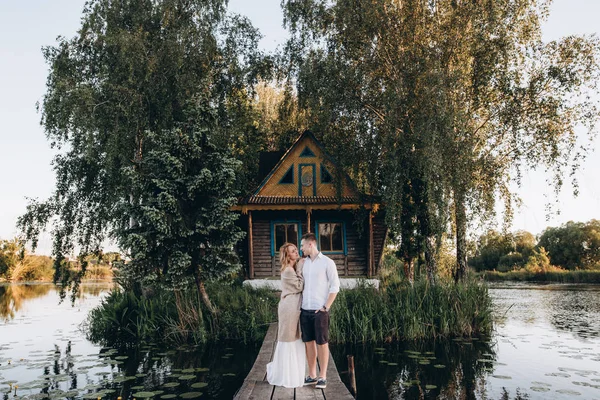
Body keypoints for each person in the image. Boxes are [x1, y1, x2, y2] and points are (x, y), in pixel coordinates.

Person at [300, 232, 340, 390]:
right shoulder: (304, 263)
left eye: (302, 245)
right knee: (308, 343)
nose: (301, 248)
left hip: (320, 310)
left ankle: (322, 376)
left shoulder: (328, 263)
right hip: (305, 309)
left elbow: (335, 286)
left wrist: (325, 307)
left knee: (322, 343)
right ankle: (312, 375)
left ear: (311, 244)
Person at [266, 242, 306, 388]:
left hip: (294, 306)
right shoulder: (288, 270)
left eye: (296, 250)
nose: (296, 252)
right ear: (287, 255)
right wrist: (301, 268)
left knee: (295, 337)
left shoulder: (292, 268)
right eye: (293, 251)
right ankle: (286, 374)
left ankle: (295, 371)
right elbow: (300, 286)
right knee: (289, 338)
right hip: (289, 308)